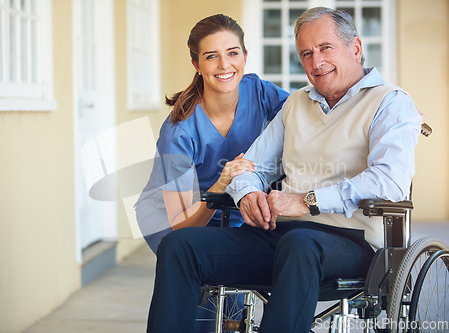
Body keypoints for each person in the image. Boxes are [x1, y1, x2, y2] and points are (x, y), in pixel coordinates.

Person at [146, 7, 422, 333]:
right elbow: (252, 165)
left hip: (352, 241)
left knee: (300, 245)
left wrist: (308, 201)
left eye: (325, 48)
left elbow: (389, 181)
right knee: (180, 247)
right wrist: (247, 192)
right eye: (306, 53)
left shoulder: (390, 102)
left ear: (356, 49)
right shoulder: (295, 104)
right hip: (279, 234)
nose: (315, 62)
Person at [134, 13, 289, 332]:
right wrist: (220, 185)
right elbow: (181, 226)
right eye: (211, 56)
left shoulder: (260, 92)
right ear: (196, 64)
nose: (224, 65)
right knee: (203, 309)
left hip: (235, 208)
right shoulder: (179, 131)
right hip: (176, 215)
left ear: (245, 56)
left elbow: (311, 115)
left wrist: (380, 109)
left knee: (233, 311)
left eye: (233, 53)